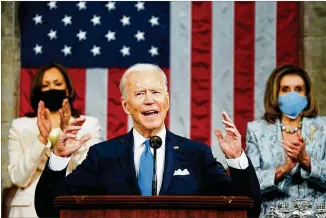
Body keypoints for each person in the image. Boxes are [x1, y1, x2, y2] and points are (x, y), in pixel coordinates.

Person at [35, 63, 261, 218]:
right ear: (125, 105)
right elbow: (48, 209)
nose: (149, 101)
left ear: (167, 100)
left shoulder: (196, 154)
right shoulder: (102, 156)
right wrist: (59, 159)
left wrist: (236, 159)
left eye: (155, 92)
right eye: (140, 93)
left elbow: (248, 208)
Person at [7, 62, 102, 217]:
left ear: (67, 89)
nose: (52, 89)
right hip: (28, 210)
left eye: (57, 84)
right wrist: (41, 139)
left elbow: (92, 174)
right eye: (46, 85)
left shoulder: (88, 124)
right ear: (38, 91)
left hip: (74, 206)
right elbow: (18, 178)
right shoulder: (20, 126)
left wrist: (71, 136)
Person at [245, 64, 326, 217]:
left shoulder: (323, 127)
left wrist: (307, 162)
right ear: (275, 94)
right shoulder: (256, 130)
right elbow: (250, 184)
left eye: (298, 89)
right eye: (285, 89)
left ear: (307, 94)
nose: (292, 95)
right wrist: (283, 169)